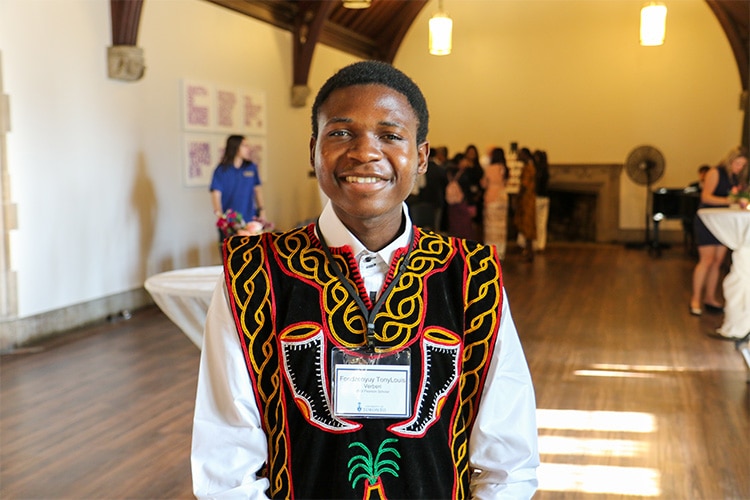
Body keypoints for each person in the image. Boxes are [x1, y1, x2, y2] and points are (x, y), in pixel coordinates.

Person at [191, 60, 539, 499]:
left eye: (390, 135)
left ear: (422, 157)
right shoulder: (254, 272)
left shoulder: (470, 275)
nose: (364, 152)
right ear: (313, 149)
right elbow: (225, 461)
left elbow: (508, 461)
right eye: (340, 133)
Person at [689, 146, 749, 316]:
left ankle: (710, 297)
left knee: (717, 261)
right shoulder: (715, 172)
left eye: (742, 165)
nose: (739, 167)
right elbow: (706, 197)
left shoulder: (737, 177)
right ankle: (695, 298)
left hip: (724, 223)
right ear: (730, 160)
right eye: (737, 163)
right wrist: (728, 200)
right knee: (706, 260)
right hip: (708, 220)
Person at [210, 134, 266, 242]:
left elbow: (257, 190)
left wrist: (262, 211)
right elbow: (215, 195)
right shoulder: (221, 170)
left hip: (250, 222)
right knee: (230, 257)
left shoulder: (251, 167)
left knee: (252, 256)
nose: (248, 149)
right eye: (244, 145)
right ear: (235, 147)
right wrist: (221, 217)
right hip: (230, 224)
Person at [481, 147, 509, 259]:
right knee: (502, 226)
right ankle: (501, 251)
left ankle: (491, 250)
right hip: (503, 197)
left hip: (491, 197)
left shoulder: (490, 168)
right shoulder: (505, 168)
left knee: (490, 226)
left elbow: (484, 183)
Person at [514, 147, 537, 261]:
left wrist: (518, 196)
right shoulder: (529, 167)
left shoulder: (528, 168)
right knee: (527, 226)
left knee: (527, 225)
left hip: (527, 200)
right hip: (527, 199)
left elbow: (525, 184)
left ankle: (529, 252)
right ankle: (528, 251)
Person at [532, 150, 550, 252]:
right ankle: (541, 244)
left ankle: (536, 244)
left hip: (538, 197)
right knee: (542, 222)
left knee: (536, 222)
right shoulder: (546, 169)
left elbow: (536, 186)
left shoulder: (537, 171)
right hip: (545, 197)